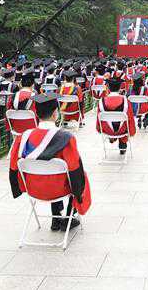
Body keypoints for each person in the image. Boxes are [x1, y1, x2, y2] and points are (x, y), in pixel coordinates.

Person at [8, 93, 91, 231]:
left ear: (36, 114)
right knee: (79, 175)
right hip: (58, 189)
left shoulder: (23, 137)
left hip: (32, 188)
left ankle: (55, 217)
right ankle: (69, 217)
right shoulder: (66, 138)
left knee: (56, 173)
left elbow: (13, 166)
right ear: (55, 114)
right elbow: (75, 170)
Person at [96, 77, 136, 155]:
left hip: (108, 130)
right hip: (122, 130)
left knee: (110, 121)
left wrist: (99, 129)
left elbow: (98, 119)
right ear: (120, 88)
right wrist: (131, 131)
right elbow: (130, 118)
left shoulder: (101, 101)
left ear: (108, 87)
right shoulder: (125, 101)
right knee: (123, 123)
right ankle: (122, 143)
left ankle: (112, 137)